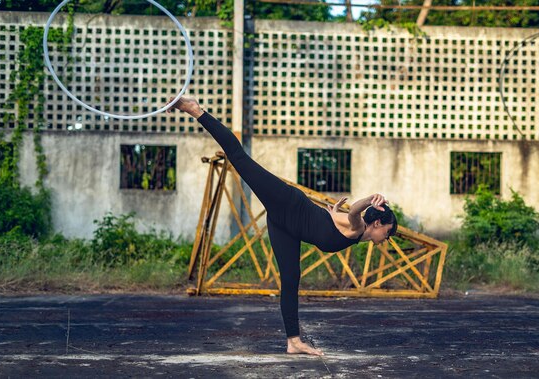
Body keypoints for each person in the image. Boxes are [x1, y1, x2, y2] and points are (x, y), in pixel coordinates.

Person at [167, 97, 398, 356]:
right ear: (378, 223)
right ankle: (197, 111)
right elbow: (356, 211)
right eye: (387, 233)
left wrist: (332, 213)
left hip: (284, 225)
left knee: (290, 279)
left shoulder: (348, 226)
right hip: (287, 203)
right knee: (240, 159)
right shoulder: (357, 226)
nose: (385, 239)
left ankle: (293, 342)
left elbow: (337, 216)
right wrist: (369, 198)